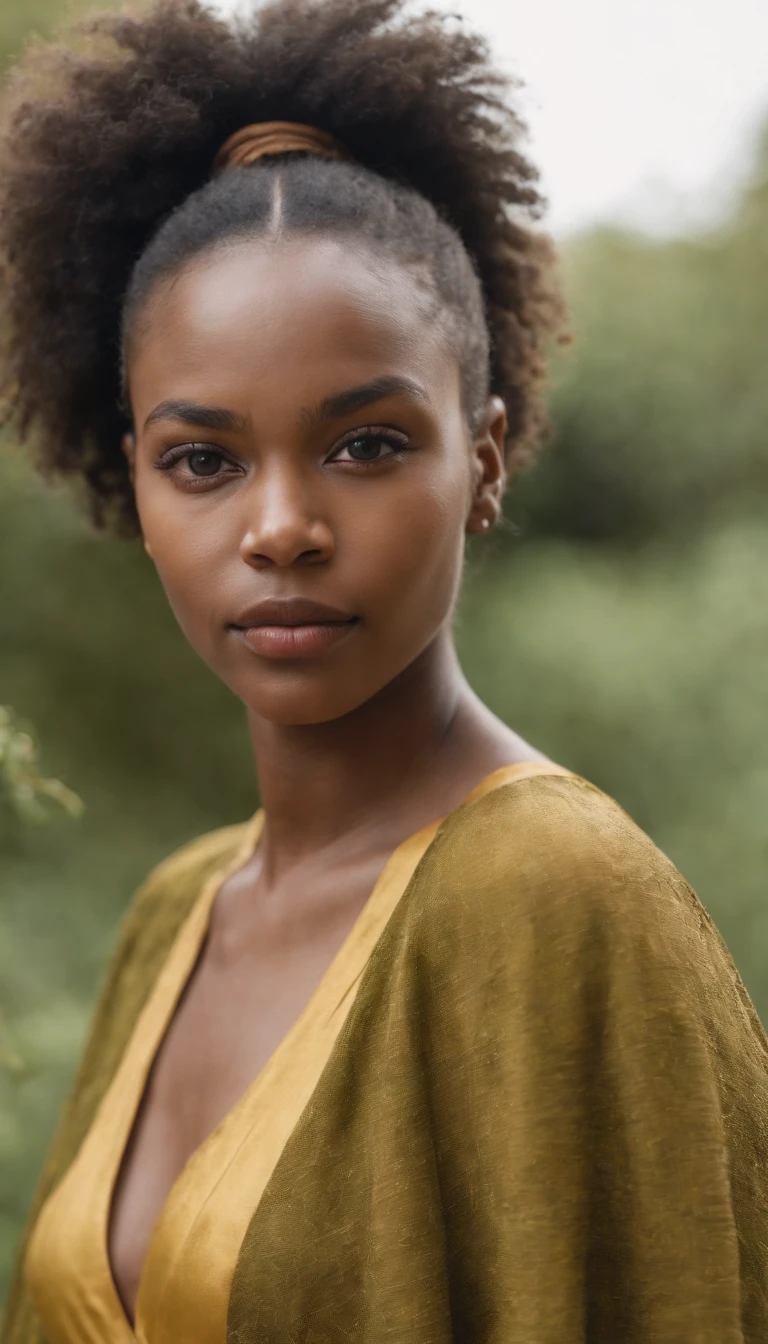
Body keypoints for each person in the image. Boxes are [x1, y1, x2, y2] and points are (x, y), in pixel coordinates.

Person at [2, 0, 768, 1339]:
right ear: (133, 478)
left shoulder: (564, 900)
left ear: (482, 458)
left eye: (364, 444)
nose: (282, 524)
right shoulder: (171, 918)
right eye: (205, 458)